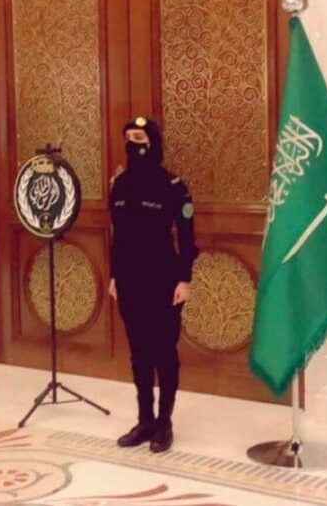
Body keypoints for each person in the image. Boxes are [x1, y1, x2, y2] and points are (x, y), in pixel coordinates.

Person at [109, 116, 198, 452]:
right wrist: (114, 276)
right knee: (139, 353)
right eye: (129, 138)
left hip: (163, 279)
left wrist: (185, 279)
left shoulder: (172, 185)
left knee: (164, 352)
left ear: (153, 142)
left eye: (140, 138)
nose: (133, 145)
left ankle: (164, 423)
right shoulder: (120, 184)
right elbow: (116, 235)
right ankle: (144, 420)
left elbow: (187, 237)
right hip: (129, 279)